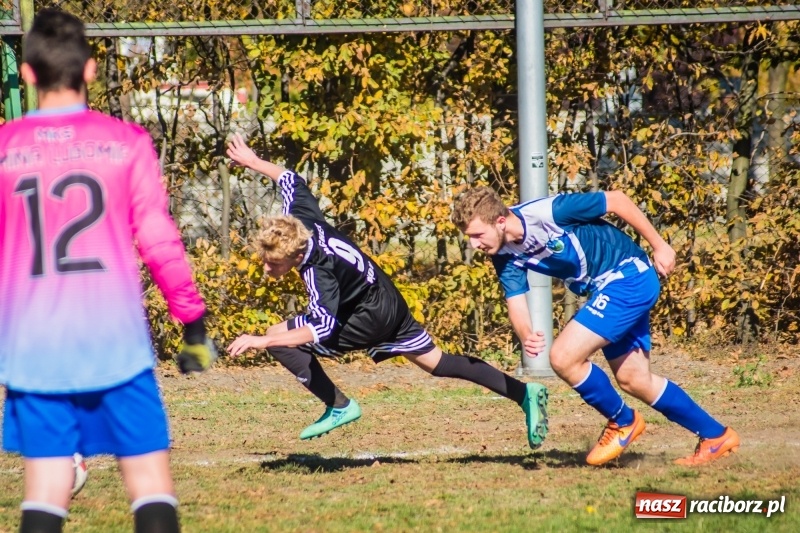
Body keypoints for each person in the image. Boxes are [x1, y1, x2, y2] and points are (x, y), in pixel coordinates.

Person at [0, 9, 216, 533]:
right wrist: (192, 323)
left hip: (33, 349)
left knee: (47, 492)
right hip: (114, 344)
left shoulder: (5, 148)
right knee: (149, 484)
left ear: (27, 74)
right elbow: (160, 240)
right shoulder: (126, 142)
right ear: (90, 70)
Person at [225, 133, 548, 448]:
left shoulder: (317, 270)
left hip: (370, 317)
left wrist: (263, 341)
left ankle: (339, 405)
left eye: (274, 263)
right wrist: (253, 162)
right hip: (385, 298)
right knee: (439, 363)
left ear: (296, 255)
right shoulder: (302, 221)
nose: (268, 269)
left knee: (280, 338)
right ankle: (524, 393)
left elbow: (322, 326)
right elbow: (290, 178)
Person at [451, 186, 739, 466]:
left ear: (500, 221)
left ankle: (623, 421)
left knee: (563, 357)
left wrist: (659, 245)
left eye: (477, 235)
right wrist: (526, 334)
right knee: (634, 380)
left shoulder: (549, 213)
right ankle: (716, 436)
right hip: (611, 288)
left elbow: (617, 200)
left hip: (627, 277)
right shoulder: (503, 253)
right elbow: (515, 300)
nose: (474, 245)